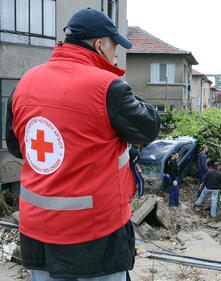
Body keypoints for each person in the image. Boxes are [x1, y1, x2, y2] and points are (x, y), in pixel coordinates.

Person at [5, 8, 161, 281]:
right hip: (95, 237)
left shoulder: (24, 83)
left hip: (37, 235)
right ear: (99, 45)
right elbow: (148, 127)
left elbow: (18, 148)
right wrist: (112, 79)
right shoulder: (108, 88)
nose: (116, 55)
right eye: (115, 47)